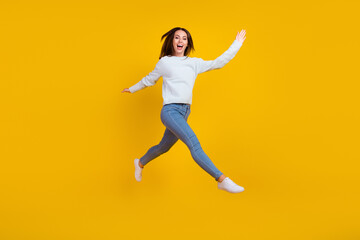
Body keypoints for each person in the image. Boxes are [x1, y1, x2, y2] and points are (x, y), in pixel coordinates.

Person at [122, 27, 247, 193]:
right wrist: (132, 88)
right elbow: (149, 80)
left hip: (184, 112)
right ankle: (221, 179)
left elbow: (219, 63)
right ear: (172, 41)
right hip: (170, 111)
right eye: (177, 38)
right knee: (194, 144)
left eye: (184, 38)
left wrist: (236, 45)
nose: (180, 41)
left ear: (188, 43)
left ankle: (140, 162)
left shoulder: (193, 63)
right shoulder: (165, 62)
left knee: (163, 147)